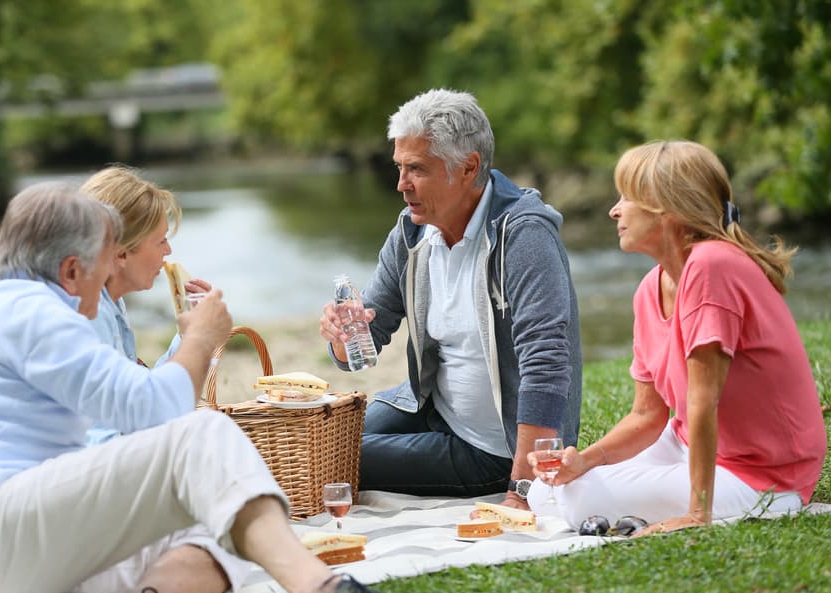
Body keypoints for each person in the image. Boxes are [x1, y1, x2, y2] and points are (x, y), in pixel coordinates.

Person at [0, 183, 444, 593]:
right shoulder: (31, 312)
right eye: (105, 258)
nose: (111, 269)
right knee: (203, 432)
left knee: (224, 540)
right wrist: (201, 340)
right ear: (69, 270)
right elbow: (156, 412)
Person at [527, 140, 827, 535]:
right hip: (687, 445)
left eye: (626, 198)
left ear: (665, 208)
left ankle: (770, 504)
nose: (613, 210)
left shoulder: (712, 265)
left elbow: (703, 402)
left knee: (573, 499)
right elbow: (648, 415)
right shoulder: (650, 289)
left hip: (764, 473)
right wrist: (584, 460)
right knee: (543, 491)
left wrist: (696, 513)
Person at [319, 88, 582, 510]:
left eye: (416, 169)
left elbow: (547, 366)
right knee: (319, 442)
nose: (401, 185)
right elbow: (364, 345)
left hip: (496, 449)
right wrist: (341, 335)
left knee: (328, 462)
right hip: (429, 408)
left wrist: (522, 489)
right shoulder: (411, 231)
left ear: (467, 167)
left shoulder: (524, 236)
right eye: (399, 167)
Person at [79, 166, 246, 593]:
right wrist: (198, 341)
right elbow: (134, 420)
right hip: (87, 483)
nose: (168, 252)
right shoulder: (86, 317)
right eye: (159, 240)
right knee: (231, 528)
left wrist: (190, 334)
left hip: (95, 478)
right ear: (121, 253)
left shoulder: (109, 309)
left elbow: (146, 398)